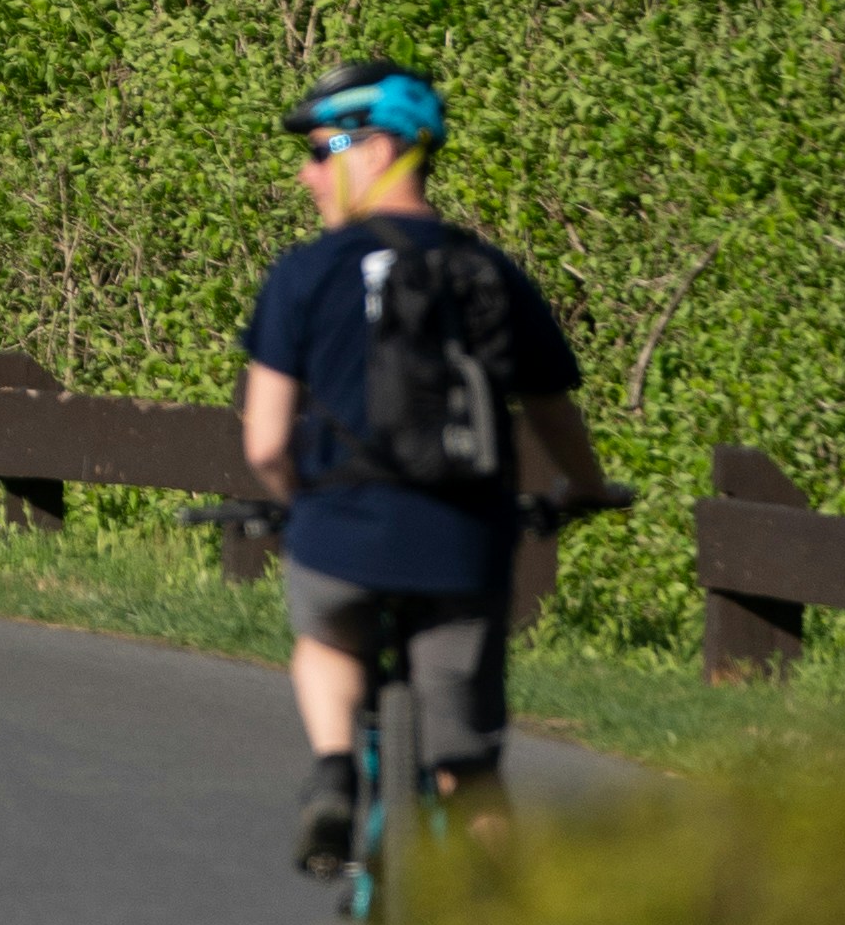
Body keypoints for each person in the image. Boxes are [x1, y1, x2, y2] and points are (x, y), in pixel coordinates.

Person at [238, 67, 600, 874]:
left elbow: (264, 443)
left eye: (324, 149)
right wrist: (587, 489)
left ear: (383, 150)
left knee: (327, 639)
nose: (308, 172)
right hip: (462, 544)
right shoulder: (492, 274)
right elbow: (552, 413)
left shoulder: (305, 272)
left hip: (341, 532)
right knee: (469, 761)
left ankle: (334, 771)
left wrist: (296, 506)